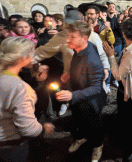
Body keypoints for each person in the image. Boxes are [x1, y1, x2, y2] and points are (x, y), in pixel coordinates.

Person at [0, 37, 54, 162]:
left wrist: (36, 81)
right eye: (32, 53)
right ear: (22, 58)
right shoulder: (19, 87)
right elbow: (28, 129)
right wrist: (43, 128)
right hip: (10, 144)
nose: (34, 56)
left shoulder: (0, 76)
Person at [56, 21, 107, 162]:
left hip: (92, 101)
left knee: (95, 124)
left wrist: (72, 95)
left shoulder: (92, 60)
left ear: (84, 39)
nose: (67, 40)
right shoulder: (80, 48)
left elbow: (96, 88)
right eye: (68, 36)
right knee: (78, 120)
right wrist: (69, 75)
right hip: (79, 96)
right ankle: (81, 137)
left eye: (72, 37)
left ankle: (98, 145)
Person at [102, 19, 132, 161]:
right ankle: (128, 142)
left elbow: (118, 75)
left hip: (130, 91)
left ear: (124, 33)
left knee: (130, 121)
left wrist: (110, 56)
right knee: (127, 119)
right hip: (131, 88)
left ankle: (131, 148)